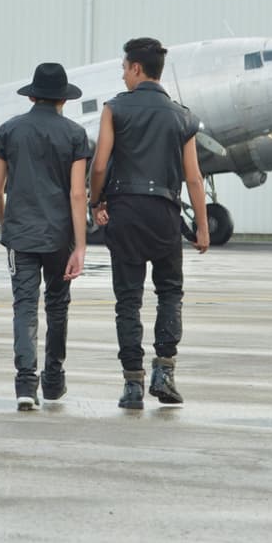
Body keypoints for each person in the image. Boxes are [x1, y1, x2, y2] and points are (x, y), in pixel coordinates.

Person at [89, 37, 209, 410]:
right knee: (169, 293)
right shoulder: (182, 116)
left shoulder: (114, 109)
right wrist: (202, 226)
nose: (123, 75)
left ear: (137, 68)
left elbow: (98, 164)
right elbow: (193, 178)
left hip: (124, 211)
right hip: (165, 214)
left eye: (124, 68)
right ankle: (165, 372)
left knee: (128, 300)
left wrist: (97, 202)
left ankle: (131, 385)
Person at [0, 62, 92, 411]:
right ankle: (53, 379)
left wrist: (8, 223)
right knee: (58, 306)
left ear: (32, 95)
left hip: (21, 234)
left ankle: (24, 384)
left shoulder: (9, 131)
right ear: (63, 99)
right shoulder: (76, 135)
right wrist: (80, 244)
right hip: (60, 235)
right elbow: (79, 194)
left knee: (24, 306)